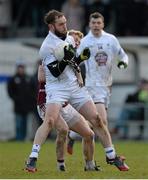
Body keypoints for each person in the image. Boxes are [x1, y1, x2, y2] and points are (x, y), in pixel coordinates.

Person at [24, 9, 121, 172]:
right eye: (60, 24)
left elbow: (71, 62)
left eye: (65, 23)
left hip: (74, 88)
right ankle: (33, 158)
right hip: (56, 88)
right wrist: (68, 58)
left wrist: (79, 59)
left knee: (96, 120)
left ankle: (111, 156)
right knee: (50, 122)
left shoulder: (69, 37)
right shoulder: (47, 47)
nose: (64, 26)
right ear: (51, 26)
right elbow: (54, 71)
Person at [25, 31, 97, 172]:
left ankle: (90, 166)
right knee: (62, 129)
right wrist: (65, 62)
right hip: (48, 102)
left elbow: (77, 78)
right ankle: (54, 163)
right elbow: (41, 77)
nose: (76, 43)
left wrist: (78, 71)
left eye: (78, 42)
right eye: (75, 39)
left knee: (89, 134)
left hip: (65, 104)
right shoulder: (52, 54)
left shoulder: (73, 60)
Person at [68, 11, 129, 171]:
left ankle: (73, 134)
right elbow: (74, 61)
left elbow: (123, 56)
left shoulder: (111, 39)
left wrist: (123, 63)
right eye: (93, 23)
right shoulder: (85, 41)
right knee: (102, 121)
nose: (96, 25)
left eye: (98, 23)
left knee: (93, 126)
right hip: (92, 86)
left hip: (107, 86)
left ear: (103, 24)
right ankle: (111, 156)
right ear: (89, 24)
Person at [7, 60, 33, 141]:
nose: (21, 69)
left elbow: (32, 90)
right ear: (17, 68)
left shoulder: (28, 78)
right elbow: (10, 91)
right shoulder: (13, 79)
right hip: (18, 106)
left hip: (26, 106)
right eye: (19, 68)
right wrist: (15, 99)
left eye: (22, 68)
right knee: (18, 123)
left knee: (25, 123)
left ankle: (24, 138)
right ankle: (19, 138)